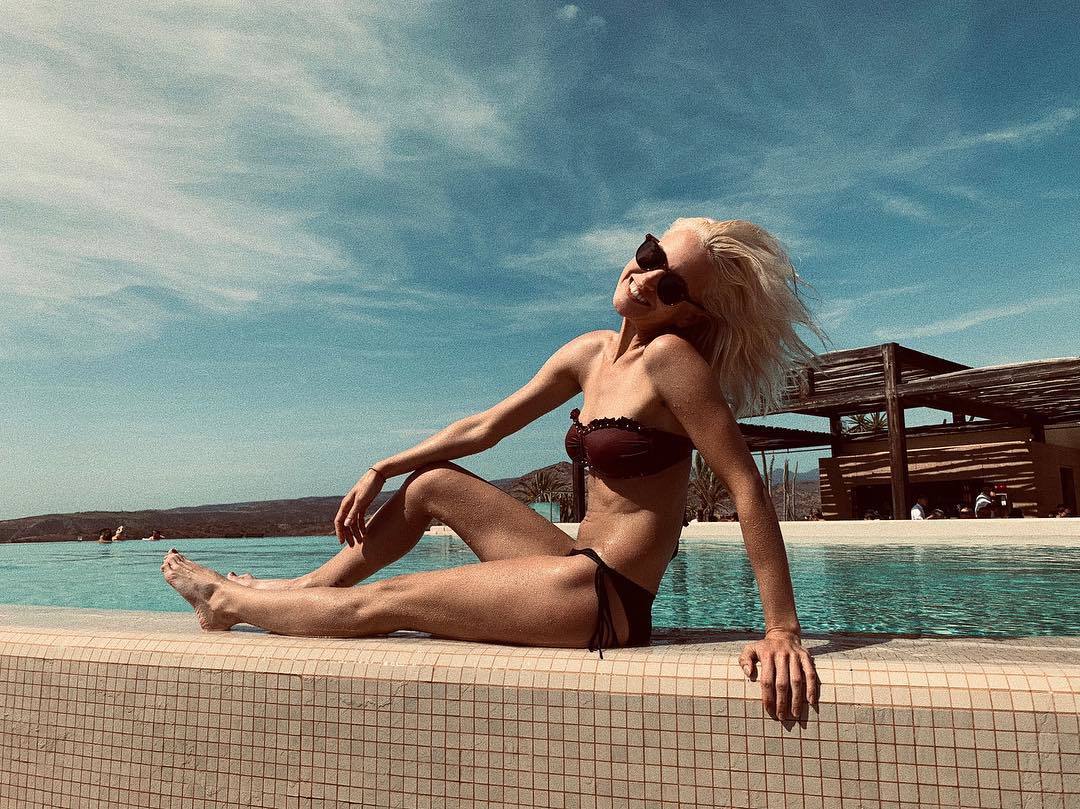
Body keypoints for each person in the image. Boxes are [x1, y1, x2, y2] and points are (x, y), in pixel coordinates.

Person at [161, 219, 823, 720]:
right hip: (570, 562)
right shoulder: (591, 353)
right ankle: (300, 589)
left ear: (688, 312)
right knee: (432, 483)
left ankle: (228, 604)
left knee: (397, 599)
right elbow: (486, 427)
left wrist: (782, 630)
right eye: (651, 257)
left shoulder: (672, 360)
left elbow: (745, 484)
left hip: (607, 597)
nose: (646, 279)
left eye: (671, 285)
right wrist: (382, 466)